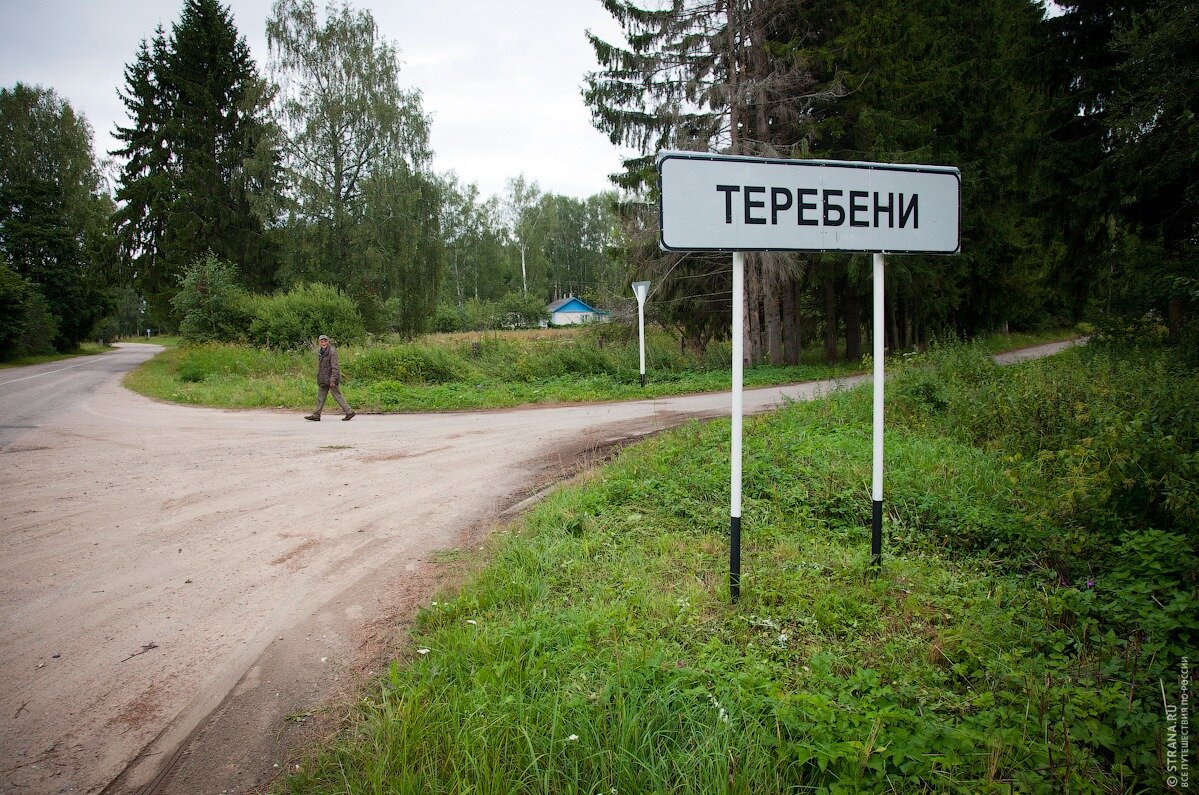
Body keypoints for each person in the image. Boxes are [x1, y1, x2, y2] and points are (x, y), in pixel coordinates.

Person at [305, 335, 356, 421]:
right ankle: (316, 415)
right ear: (319, 343)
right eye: (322, 341)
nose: (323, 343)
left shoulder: (332, 351)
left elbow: (335, 367)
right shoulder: (321, 352)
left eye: (325, 341)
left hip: (331, 379)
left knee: (337, 396)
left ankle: (349, 412)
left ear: (328, 342)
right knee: (320, 397)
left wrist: (333, 379)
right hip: (323, 379)